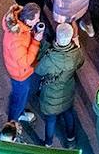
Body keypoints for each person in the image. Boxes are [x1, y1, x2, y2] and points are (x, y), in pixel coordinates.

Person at [35, 21, 83, 149]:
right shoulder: (76, 53)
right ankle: (71, 140)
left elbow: (38, 71)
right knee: (68, 114)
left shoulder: (51, 58)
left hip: (51, 94)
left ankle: (48, 144)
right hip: (67, 90)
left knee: (51, 120)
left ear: (57, 37)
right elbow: (80, 63)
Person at [1, 3, 43, 125]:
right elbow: (25, 62)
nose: (39, 20)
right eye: (37, 19)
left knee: (20, 95)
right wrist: (36, 41)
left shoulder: (19, 24)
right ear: (28, 20)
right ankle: (13, 122)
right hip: (19, 74)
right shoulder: (16, 39)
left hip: (18, 69)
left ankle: (18, 114)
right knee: (19, 98)